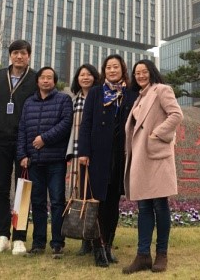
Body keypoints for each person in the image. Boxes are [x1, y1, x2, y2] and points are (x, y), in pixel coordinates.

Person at [122, 59, 183, 274]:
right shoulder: (139, 97)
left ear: (152, 72)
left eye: (144, 71)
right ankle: (143, 255)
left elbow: (176, 114)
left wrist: (157, 134)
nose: (140, 75)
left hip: (156, 155)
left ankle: (161, 254)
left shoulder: (161, 90)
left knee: (160, 205)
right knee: (144, 207)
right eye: (137, 73)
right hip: (141, 157)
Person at [78, 54, 138, 267]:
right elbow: (86, 123)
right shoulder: (96, 92)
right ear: (104, 71)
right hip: (97, 155)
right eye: (108, 67)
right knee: (97, 202)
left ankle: (108, 246)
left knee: (113, 203)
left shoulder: (130, 94)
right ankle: (97, 248)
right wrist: (83, 152)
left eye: (116, 67)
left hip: (120, 155)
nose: (112, 70)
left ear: (123, 70)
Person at [17, 67, 73, 258]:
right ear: (37, 81)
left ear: (54, 81)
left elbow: (66, 124)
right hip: (34, 161)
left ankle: (57, 243)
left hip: (56, 160)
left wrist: (45, 139)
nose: (46, 80)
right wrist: (22, 155)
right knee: (37, 202)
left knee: (57, 201)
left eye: (50, 78)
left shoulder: (63, 100)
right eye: (43, 77)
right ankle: (38, 243)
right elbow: (22, 130)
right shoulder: (29, 103)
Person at [0, 40, 38, 256]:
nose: (19, 56)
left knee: (23, 189)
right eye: (15, 53)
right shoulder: (0, 76)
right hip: (0, 139)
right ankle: (2, 237)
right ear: (10, 55)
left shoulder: (35, 78)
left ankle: (19, 237)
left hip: (23, 141)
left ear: (29, 56)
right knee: (1, 189)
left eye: (23, 53)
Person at [66, 63, 100, 256]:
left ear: (95, 77)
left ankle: (97, 238)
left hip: (96, 153)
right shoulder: (73, 100)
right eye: (81, 75)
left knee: (94, 194)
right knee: (80, 193)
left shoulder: (100, 97)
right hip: (78, 153)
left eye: (89, 74)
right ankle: (84, 238)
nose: (85, 77)